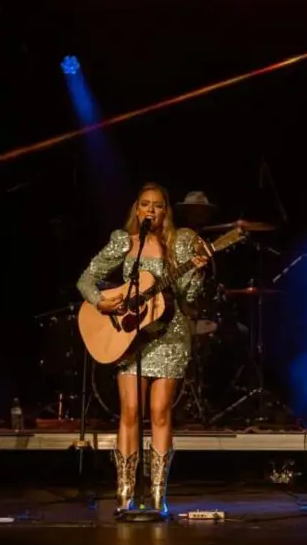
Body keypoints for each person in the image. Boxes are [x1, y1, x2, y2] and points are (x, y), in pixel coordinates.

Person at [76, 183, 209, 516]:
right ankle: (124, 495)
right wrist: (101, 303)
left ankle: (158, 497)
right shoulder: (124, 242)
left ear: (166, 211)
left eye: (159, 205)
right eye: (146, 204)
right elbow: (85, 280)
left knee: (161, 412)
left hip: (168, 335)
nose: (152, 210)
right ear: (137, 209)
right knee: (130, 412)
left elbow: (188, 298)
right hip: (129, 337)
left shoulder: (180, 243)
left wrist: (197, 274)